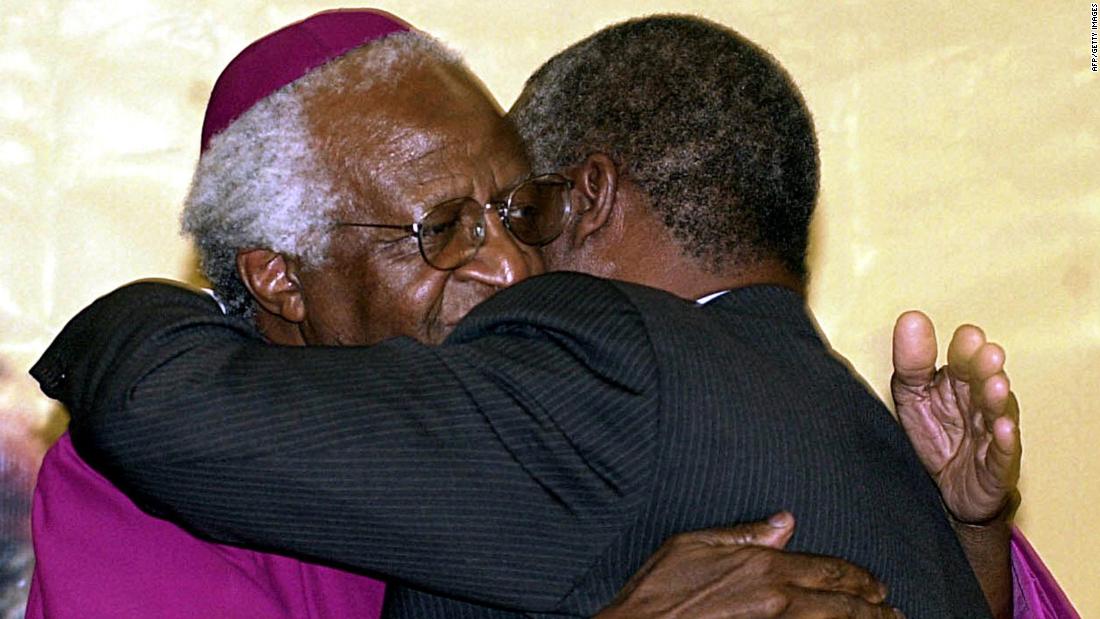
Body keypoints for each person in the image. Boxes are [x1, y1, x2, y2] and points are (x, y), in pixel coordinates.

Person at [32, 10, 1065, 619]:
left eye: (516, 212)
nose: (509, 267)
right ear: (281, 279)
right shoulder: (136, 483)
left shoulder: (576, 407)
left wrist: (959, 530)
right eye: (441, 230)